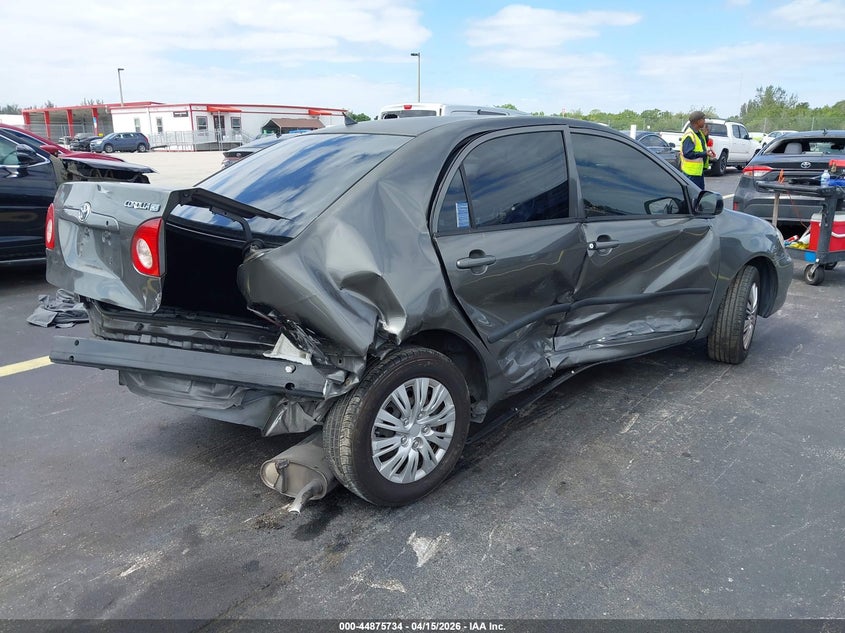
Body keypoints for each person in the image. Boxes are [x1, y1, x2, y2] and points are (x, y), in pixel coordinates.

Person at [680, 111, 716, 189]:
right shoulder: (689, 135)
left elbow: (702, 146)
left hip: (698, 172)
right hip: (690, 173)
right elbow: (688, 153)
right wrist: (704, 153)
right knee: (693, 196)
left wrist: (706, 136)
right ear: (698, 121)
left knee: (700, 195)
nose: (704, 121)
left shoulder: (699, 133)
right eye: (703, 119)